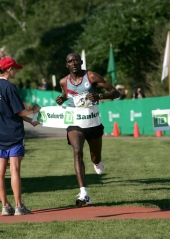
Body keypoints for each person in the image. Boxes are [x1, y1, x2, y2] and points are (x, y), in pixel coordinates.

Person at [56, 53, 120, 206]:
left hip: (93, 122)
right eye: (70, 61)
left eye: (76, 60)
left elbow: (116, 92)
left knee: (95, 157)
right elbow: (67, 94)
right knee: (77, 151)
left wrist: (99, 95)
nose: (74, 63)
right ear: (67, 65)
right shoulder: (64, 81)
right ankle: (84, 192)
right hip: (75, 122)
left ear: (81, 62)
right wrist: (62, 98)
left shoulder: (91, 76)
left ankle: (97, 162)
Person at [0, 57, 41, 216]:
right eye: (14, 69)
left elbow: (12, 111)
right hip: (14, 134)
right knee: (15, 169)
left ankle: (5, 206)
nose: (16, 71)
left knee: (1, 172)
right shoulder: (10, 87)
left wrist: (30, 121)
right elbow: (19, 111)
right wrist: (34, 111)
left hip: (0, 134)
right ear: (9, 70)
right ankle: (18, 206)